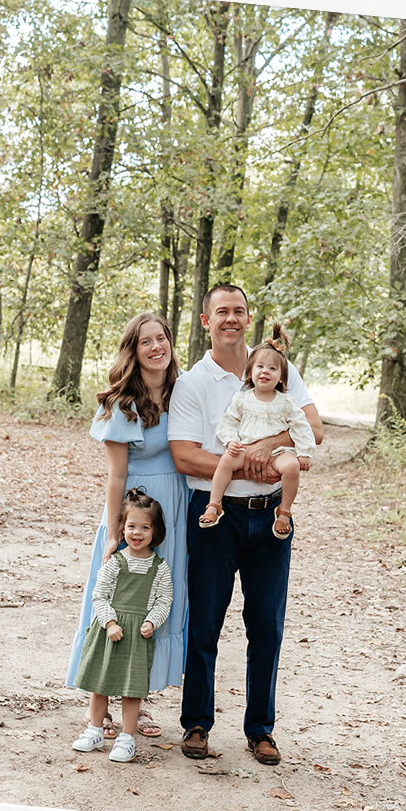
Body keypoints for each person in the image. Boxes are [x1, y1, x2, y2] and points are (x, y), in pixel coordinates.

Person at [168, 286, 324, 766]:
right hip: (216, 518)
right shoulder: (193, 382)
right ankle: (196, 723)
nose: (231, 319)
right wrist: (243, 464)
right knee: (205, 624)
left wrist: (264, 446)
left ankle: (261, 730)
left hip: (271, 514)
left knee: (267, 626)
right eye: (222, 312)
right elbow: (184, 454)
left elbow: (312, 430)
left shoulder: (276, 367)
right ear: (205, 321)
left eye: (238, 311)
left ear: (249, 317)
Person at [65, 312, 189, 738]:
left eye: (162, 339)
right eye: (145, 342)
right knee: (118, 599)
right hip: (136, 509)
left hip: (174, 508)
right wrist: (115, 534)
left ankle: (139, 700)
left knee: (155, 602)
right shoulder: (123, 403)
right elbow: (116, 475)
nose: (157, 348)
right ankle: (98, 705)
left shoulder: (182, 390)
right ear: (133, 351)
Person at [70, 491, 173, 763]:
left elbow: (165, 599)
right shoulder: (115, 561)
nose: (137, 533)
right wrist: (110, 622)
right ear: (122, 528)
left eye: (144, 527)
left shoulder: (159, 567)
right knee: (99, 684)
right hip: (110, 633)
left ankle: (127, 738)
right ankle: (94, 730)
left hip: (138, 636)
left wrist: (152, 620)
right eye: (131, 527)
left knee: (132, 689)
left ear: (155, 530)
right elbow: (99, 594)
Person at [198, 327, 315, 539]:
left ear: (281, 378)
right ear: (250, 372)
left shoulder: (286, 401)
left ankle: (284, 511)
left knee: (291, 466)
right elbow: (228, 421)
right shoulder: (242, 399)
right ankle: (215, 503)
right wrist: (230, 441)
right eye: (260, 366)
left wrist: (304, 452)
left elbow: (301, 426)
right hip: (245, 447)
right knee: (225, 461)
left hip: (279, 453)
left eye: (272, 368)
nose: (265, 371)